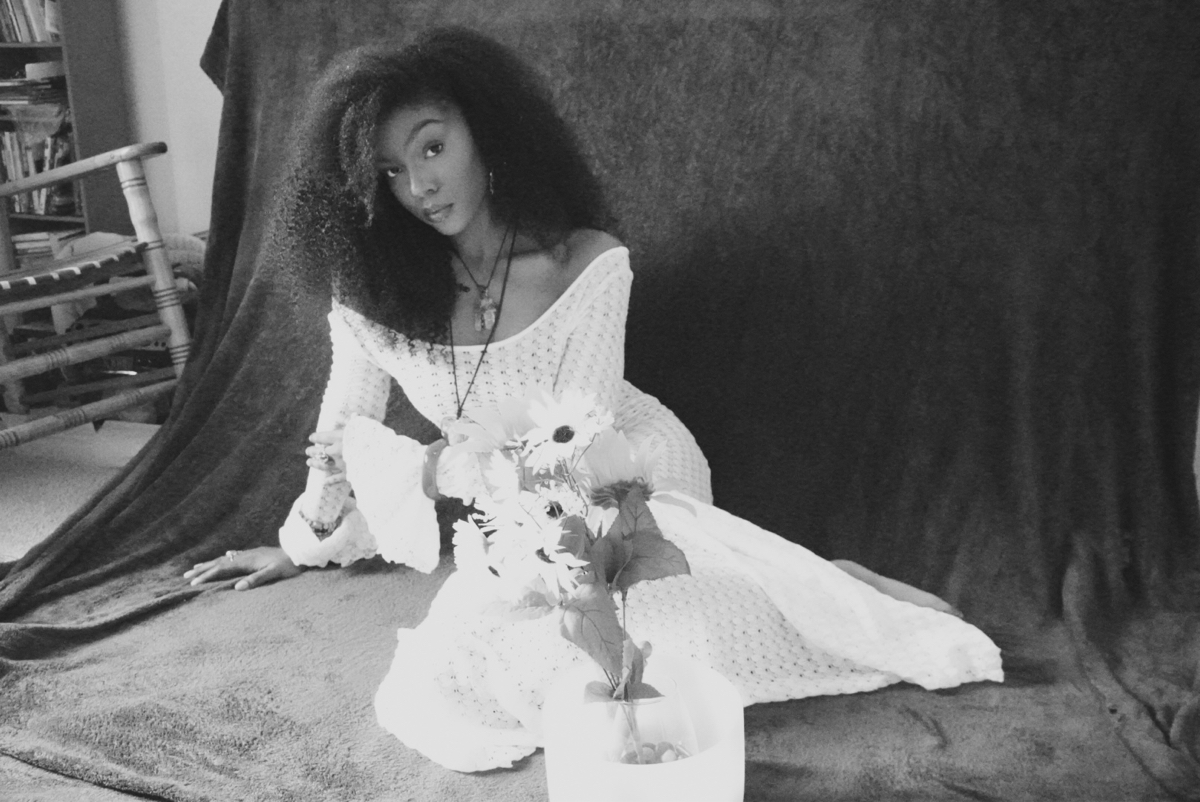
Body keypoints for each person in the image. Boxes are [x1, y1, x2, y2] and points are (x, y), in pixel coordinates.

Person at [183, 27, 1002, 772]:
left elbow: (583, 444)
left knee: (664, 645)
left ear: (485, 134)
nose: (420, 185)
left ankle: (822, 587)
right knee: (465, 679)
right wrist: (304, 541)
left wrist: (437, 469)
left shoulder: (585, 263)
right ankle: (786, 581)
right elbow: (344, 426)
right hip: (512, 507)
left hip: (627, 470)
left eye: (433, 147)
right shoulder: (374, 294)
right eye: (391, 171)